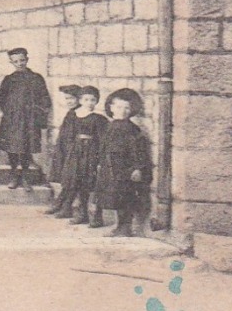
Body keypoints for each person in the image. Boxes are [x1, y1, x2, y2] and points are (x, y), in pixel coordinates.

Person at [96, 88, 154, 238]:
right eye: (119, 107)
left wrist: (137, 168)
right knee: (114, 197)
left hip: (125, 168)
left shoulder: (132, 129)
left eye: (127, 108)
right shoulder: (109, 126)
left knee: (125, 197)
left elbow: (138, 150)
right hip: (111, 167)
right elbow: (103, 146)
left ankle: (125, 227)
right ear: (111, 107)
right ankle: (118, 225)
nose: (123, 111)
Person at [0, 47, 53, 189]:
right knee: (12, 148)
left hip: (30, 120)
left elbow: (45, 98)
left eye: (22, 60)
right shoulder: (9, 80)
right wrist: (11, 112)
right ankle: (15, 174)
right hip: (13, 120)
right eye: (16, 61)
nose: (20, 63)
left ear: (27, 60)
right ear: (11, 62)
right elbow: (1, 98)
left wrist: (39, 115)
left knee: (27, 147)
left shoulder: (36, 78)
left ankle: (26, 176)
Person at [53, 86, 108, 226]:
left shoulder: (99, 119)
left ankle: (93, 216)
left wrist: (99, 156)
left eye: (93, 100)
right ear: (81, 100)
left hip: (90, 153)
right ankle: (80, 213)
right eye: (86, 99)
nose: (89, 102)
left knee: (87, 182)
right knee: (75, 181)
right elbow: (68, 135)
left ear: (96, 102)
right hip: (76, 153)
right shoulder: (74, 116)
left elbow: (102, 139)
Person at [44, 85, 83, 205]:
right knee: (65, 177)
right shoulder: (70, 113)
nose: (69, 101)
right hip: (65, 148)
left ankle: (64, 204)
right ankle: (62, 203)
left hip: (74, 151)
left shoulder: (80, 113)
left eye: (72, 98)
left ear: (79, 99)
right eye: (67, 99)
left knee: (71, 177)